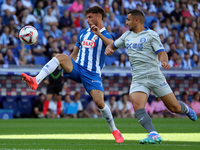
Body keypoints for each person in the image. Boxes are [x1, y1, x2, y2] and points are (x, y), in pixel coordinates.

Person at [21, 6, 124, 143]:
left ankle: (114, 130)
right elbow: (74, 54)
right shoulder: (82, 33)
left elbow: (112, 46)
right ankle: (36, 80)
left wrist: (98, 33)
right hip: (78, 67)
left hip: (92, 74)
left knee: (100, 103)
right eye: (87, 17)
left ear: (98, 17)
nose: (87, 20)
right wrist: (66, 67)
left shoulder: (106, 35)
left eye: (90, 17)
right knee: (60, 56)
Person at [105, 9, 197, 144]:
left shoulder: (151, 35)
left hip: (154, 76)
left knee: (174, 108)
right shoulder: (126, 35)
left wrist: (164, 61)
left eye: (128, 20)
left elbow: (162, 52)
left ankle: (186, 109)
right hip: (138, 79)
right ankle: (154, 134)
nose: (126, 22)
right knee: (137, 105)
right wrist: (109, 47)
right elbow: (113, 44)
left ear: (136, 20)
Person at [42, 49, 64, 118]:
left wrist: (65, 83)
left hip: (59, 84)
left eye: (56, 55)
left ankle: (58, 114)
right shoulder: (49, 64)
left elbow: (66, 73)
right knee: (48, 98)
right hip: (51, 84)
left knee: (58, 99)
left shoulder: (61, 64)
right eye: (54, 55)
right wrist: (44, 80)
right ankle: (44, 114)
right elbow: (43, 72)